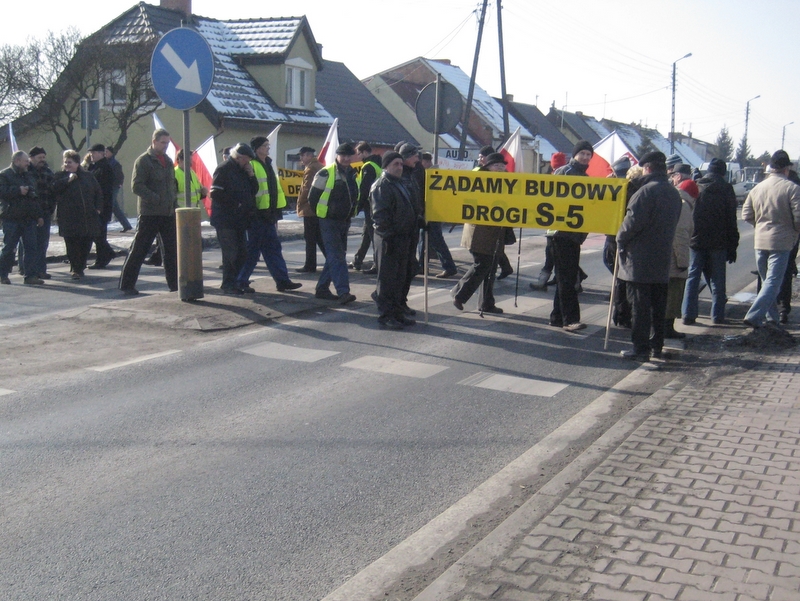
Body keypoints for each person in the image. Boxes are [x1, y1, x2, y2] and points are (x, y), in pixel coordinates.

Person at [616, 151, 682, 361]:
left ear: (647, 168)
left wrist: (619, 239)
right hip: (662, 257)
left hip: (639, 260)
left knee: (640, 307)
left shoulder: (645, 192)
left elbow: (631, 224)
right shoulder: (673, 192)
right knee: (658, 307)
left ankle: (640, 348)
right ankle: (657, 346)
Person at [234, 136, 301, 294]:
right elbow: (248, 190)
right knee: (253, 251)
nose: (268, 148)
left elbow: (272, 190)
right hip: (256, 215)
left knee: (273, 249)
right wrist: (252, 211)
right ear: (257, 148)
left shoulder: (268, 164)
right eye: (265, 145)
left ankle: (283, 281)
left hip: (269, 214)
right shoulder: (252, 165)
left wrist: (276, 213)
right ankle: (240, 281)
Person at [741, 150, 800, 328]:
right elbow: (798, 217)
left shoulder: (757, 188)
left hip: (760, 241)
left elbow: (746, 214)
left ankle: (772, 318)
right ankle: (754, 315)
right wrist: (794, 232)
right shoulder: (792, 188)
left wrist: (759, 225)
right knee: (774, 282)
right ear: (786, 169)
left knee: (767, 281)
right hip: (782, 241)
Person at [118, 128, 179, 295]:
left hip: (167, 213)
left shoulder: (168, 161)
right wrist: (156, 198)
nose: (166, 146)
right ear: (154, 142)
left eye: (167, 143)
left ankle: (175, 286)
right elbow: (137, 186)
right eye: (163, 142)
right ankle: (127, 284)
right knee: (139, 250)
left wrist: (173, 204)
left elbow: (171, 186)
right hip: (150, 213)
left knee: (171, 252)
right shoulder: (144, 161)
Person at [681, 158, 739, 325]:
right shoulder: (726, 189)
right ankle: (717, 316)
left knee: (693, 277)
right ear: (723, 172)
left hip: (696, 239)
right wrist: (733, 245)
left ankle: (688, 314)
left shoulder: (697, 185)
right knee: (718, 279)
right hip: (719, 241)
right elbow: (731, 219)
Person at [451, 153, 508, 314]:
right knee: (482, 264)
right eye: (496, 165)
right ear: (487, 167)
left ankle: (486, 303)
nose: (500, 168)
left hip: (494, 232)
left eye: (502, 165)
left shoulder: (505, 182)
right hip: (480, 231)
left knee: (490, 268)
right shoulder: (480, 180)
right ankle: (459, 293)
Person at [370, 151, 418, 329]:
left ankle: (397, 313)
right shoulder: (382, 185)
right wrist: (389, 236)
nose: (399, 167)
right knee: (387, 280)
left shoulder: (398, 183)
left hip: (402, 237)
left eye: (400, 164)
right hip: (389, 240)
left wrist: (417, 221)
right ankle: (386, 315)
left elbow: (405, 208)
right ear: (386, 166)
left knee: (399, 279)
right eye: (395, 164)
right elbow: (380, 216)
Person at [549, 140, 593, 331]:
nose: (585, 157)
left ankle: (557, 317)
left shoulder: (586, 176)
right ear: (575, 155)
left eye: (588, 154)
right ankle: (570, 319)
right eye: (582, 153)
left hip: (575, 234)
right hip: (561, 232)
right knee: (568, 278)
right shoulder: (564, 172)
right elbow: (552, 197)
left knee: (564, 276)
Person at [308, 143, 358, 304]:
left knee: (336, 256)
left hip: (344, 221)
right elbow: (312, 198)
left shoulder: (352, 173)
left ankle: (322, 289)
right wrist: (324, 214)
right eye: (343, 155)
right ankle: (343, 292)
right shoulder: (325, 172)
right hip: (328, 221)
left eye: (349, 155)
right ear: (337, 155)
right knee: (337, 257)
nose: (346, 158)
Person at [209, 143, 258, 295]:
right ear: (238, 157)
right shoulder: (223, 169)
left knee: (242, 253)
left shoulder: (244, 170)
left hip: (240, 219)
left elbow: (254, 190)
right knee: (231, 253)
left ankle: (239, 282)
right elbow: (215, 193)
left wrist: (251, 175)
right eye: (246, 159)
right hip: (225, 219)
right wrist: (235, 203)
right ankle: (228, 284)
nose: (248, 162)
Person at [51, 150, 103, 279]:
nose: (67, 165)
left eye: (70, 162)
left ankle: (81, 265)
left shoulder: (88, 176)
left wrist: (98, 208)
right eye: (65, 162)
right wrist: (67, 180)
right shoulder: (59, 176)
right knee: (72, 243)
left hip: (87, 216)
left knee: (86, 242)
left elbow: (98, 192)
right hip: (68, 217)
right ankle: (76, 269)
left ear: (77, 163)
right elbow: (54, 189)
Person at [602, 156, 638, 328]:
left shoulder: (618, 187)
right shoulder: (634, 188)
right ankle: (622, 312)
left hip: (615, 236)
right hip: (624, 236)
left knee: (620, 276)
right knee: (621, 275)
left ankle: (622, 313)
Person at [0, 150, 44, 285]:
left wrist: (39, 215)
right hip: (11, 218)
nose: (27, 164)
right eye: (25, 161)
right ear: (17, 161)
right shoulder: (4, 175)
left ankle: (30, 276)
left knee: (31, 248)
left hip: (28, 218)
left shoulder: (28, 175)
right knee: (9, 248)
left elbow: (34, 197)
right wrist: (18, 190)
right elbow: (2, 191)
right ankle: (3, 274)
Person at [664, 164, 697, 339]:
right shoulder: (684, 206)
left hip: (666, 253)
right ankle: (667, 328)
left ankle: (664, 327)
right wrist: (683, 261)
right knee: (673, 293)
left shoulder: (675, 200)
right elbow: (681, 235)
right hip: (674, 256)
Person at [530, 151, 568, 291]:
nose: (556, 170)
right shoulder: (556, 177)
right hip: (553, 226)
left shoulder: (562, 177)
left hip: (560, 225)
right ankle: (575, 281)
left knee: (555, 256)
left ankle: (542, 281)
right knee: (557, 256)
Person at [350, 141, 381, 273]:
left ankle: (377, 264)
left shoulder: (368, 166)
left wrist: (358, 206)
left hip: (370, 205)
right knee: (367, 235)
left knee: (373, 236)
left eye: (359, 154)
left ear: (364, 152)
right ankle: (358, 260)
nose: (358, 157)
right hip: (376, 203)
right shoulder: (377, 164)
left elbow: (365, 188)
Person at [27, 147, 55, 280]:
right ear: (31, 158)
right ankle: (27, 269)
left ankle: (41, 270)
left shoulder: (48, 172)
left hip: (45, 212)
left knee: (43, 243)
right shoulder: (26, 172)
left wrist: (51, 209)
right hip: (29, 213)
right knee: (29, 244)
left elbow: (53, 191)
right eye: (39, 158)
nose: (42, 160)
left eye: (44, 157)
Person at [86, 143, 116, 269]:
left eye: (93, 153)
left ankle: (103, 257)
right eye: (90, 153)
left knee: (98, 233)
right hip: (95, 205)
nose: (91, 155)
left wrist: (100, 206)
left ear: (101, 153)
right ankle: (107, 254)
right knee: (96, 233)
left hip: (102, 206)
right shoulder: (95, 166)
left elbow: (103, 189)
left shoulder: (104, 168)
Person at [295, 146, 325, 273]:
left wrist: (300, 203)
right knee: (318, 237)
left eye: (302, 156)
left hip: (309, 207)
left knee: (310, 238)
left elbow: (306, 188)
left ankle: (310, 264)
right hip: (318, 207)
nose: (301, 159)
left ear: (308, 155)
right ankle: (332, 259)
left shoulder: (311, 168)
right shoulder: (319, 166)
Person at [105, 146, 132, 231]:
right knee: (115, 208)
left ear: (111, 153)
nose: (105, 153)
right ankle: (126, 225)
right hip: (108, 187)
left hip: (114, 187)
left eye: (107, 152)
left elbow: (120, 175)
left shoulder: (115, 163)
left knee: (109, 205)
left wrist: (118, 184)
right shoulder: (105, 162)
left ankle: (103, 225)